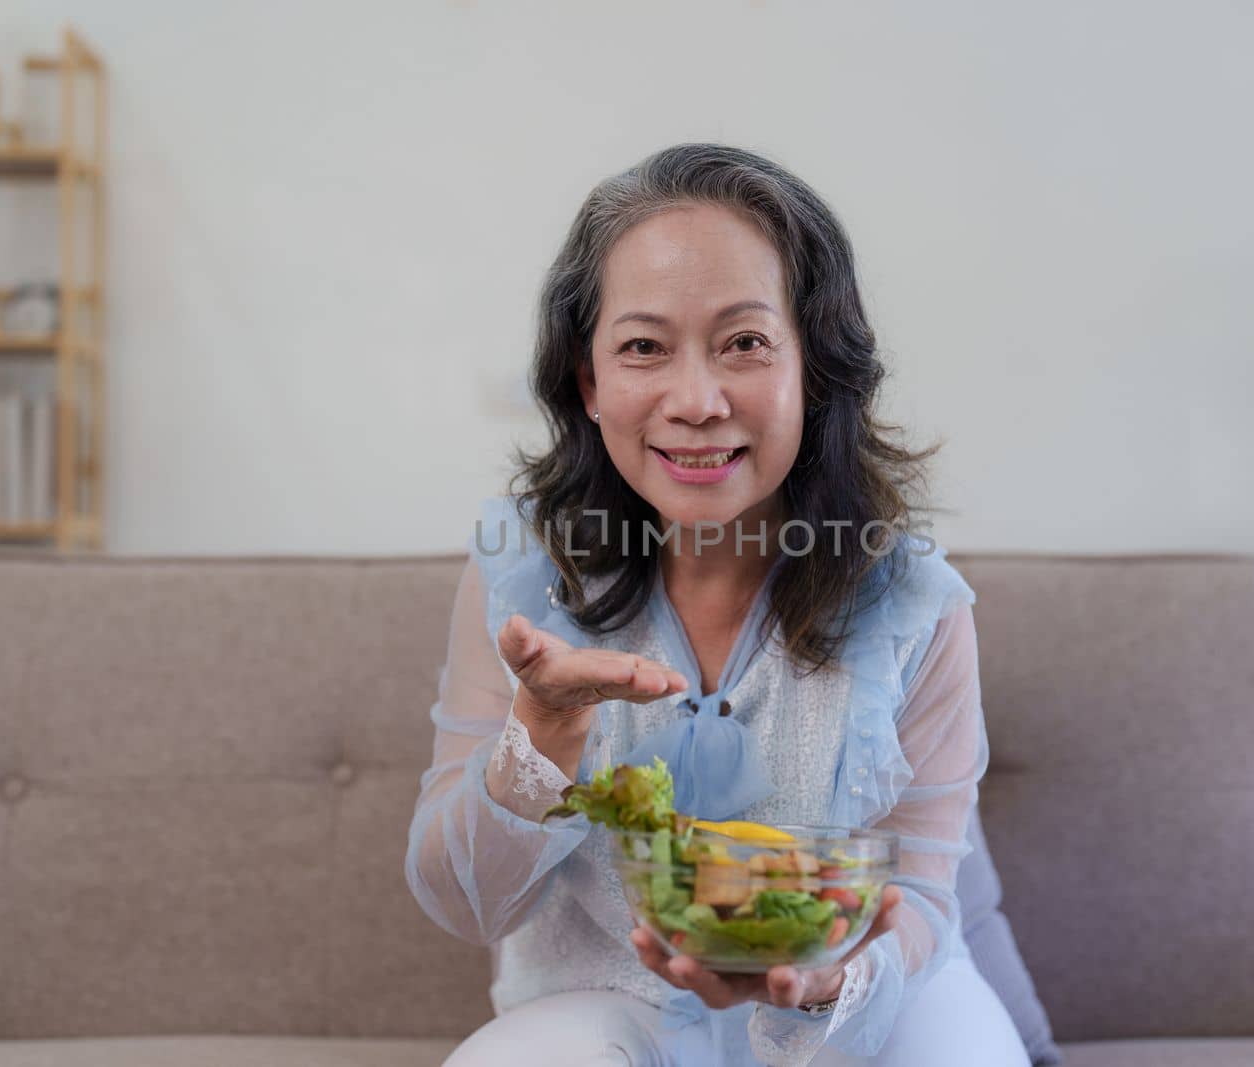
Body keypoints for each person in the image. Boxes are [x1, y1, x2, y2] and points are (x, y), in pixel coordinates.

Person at [405, 143, 1029, 1067]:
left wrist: (829, 977)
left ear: (813, 366)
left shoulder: (913, 600)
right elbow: (466, 906)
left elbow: (923, 897)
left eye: (745, 343)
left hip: (864, 1004)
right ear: (589, 380)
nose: (695, 401)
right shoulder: (523, 576)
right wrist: (539, 737)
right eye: (643, 348)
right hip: (605, 1002)